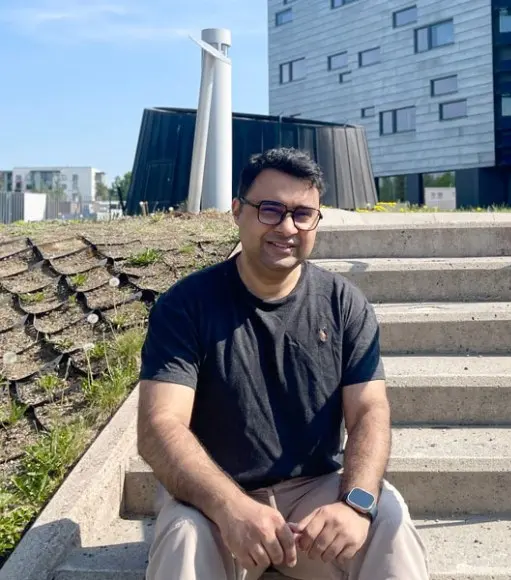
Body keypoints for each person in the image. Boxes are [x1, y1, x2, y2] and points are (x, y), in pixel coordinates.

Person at [137, 147, 430, 580]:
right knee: (185, 537)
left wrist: (355, 503)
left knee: (388, 516)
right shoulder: (186, 305)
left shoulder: (344, 304)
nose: (287, 227)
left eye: (302, 214)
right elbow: (159, 426)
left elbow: (370, 411)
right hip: (216, 498)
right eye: (270, 210)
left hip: (313, 497)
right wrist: (231, 507)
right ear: (238, 211)